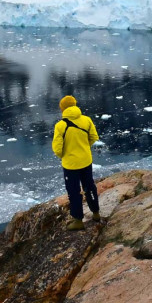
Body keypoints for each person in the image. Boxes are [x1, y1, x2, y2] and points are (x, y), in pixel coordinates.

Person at [52, 95, 101, 231]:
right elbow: (94, 137)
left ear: (63, 109)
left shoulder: (61, 125)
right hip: (86, 161)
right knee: (89, 186)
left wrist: (65, 155)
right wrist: (84, 148)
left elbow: (57, 148)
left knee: (74, 191)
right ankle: (96, 213)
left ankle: (78, 220)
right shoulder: (86, 120)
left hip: (70, 165)